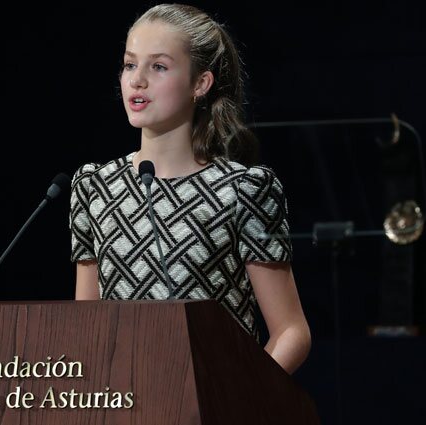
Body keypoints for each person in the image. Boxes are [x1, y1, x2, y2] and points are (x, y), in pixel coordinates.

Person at [69, 3, 311, 375]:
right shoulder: (95, 186)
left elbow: (291, 331)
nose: (137, 80)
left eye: (159, 67)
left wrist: (239, 400)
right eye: (130, 64)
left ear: (200, 83)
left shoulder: (243, 190)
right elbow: (88, 326)